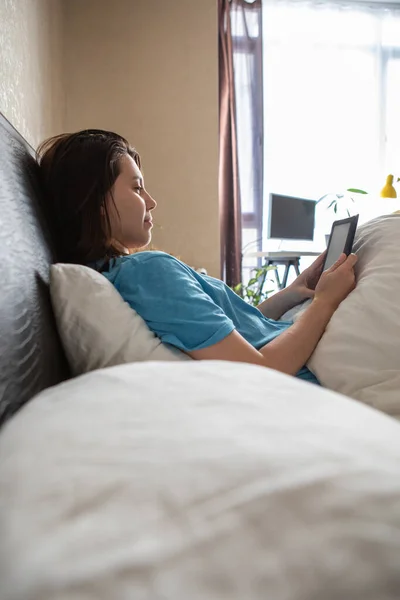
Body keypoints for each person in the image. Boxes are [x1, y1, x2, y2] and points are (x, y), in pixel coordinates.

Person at [37, 129, 357, 384]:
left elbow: (226, 331)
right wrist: (324, 303)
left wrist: (293, 292)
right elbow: (261, 370)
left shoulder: (127, 275)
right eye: (136, 188)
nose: (151, 202)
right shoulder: (148, 270)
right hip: (310, 377)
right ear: (95, 199)